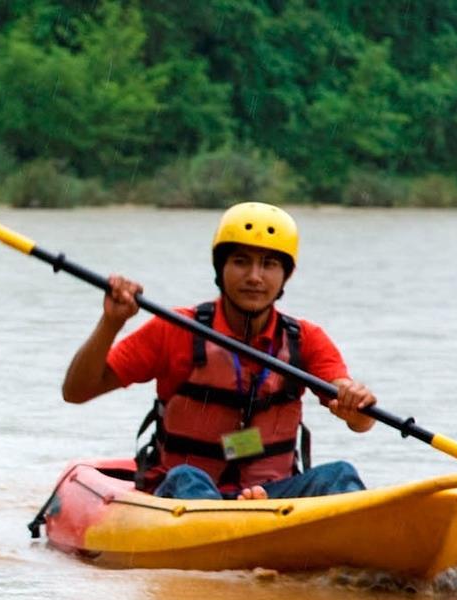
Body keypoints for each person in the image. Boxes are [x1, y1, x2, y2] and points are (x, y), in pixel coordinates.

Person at [61, 201, 378, 501]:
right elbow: (76, 391)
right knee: (186, 476)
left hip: (272, 495)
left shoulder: (305, 338)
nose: (254, 277)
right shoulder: (175, 328)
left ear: (285, 275)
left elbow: (359, 421)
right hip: (183, 496)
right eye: (241, 261)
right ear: (220, 267)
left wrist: (353, 401)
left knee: (340, 474)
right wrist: (111, 323)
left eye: (268, 264)